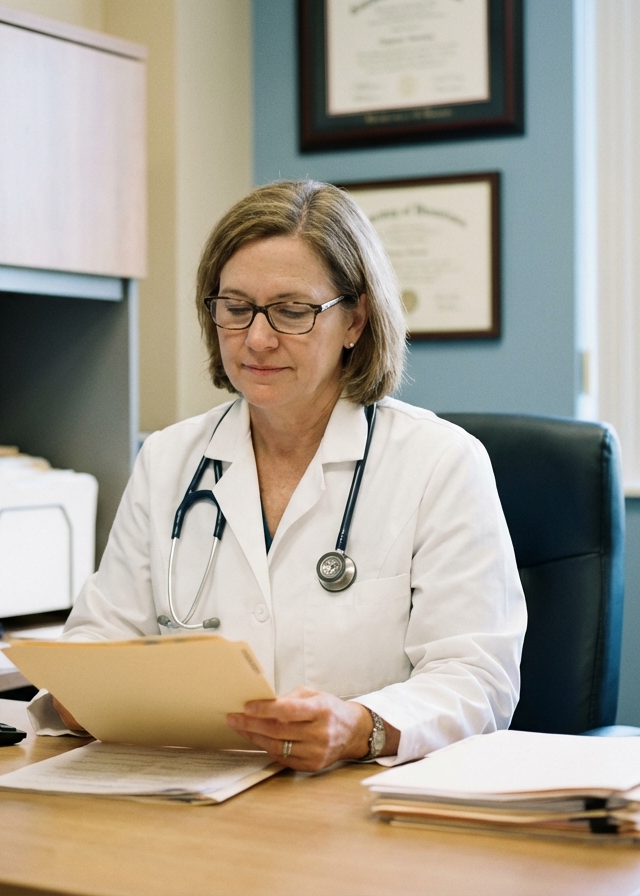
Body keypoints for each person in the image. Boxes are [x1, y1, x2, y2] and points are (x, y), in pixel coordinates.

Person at [28, 180, 526, 771]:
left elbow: (476, 678)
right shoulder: (169, 460)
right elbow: (97, 639)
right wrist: (80, 694)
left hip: (363, 802)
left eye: (292, 311)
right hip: (192, 791)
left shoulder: (440, 463)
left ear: (355, 321)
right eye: (236, 309)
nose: (257, 339)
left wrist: (357, 727)